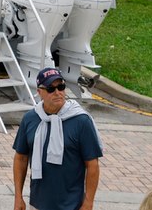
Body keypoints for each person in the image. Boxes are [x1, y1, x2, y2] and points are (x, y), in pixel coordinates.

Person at [12, 67, 102, 210]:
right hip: (37, 204)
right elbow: (20, 158)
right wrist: (18, 197)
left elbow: (92, 165)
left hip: (72, 205)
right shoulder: (31, 118)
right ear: (39, 91)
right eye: (50, 89)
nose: (57, 93)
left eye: (61, 87)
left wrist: (88, 202)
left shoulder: (81, 121)